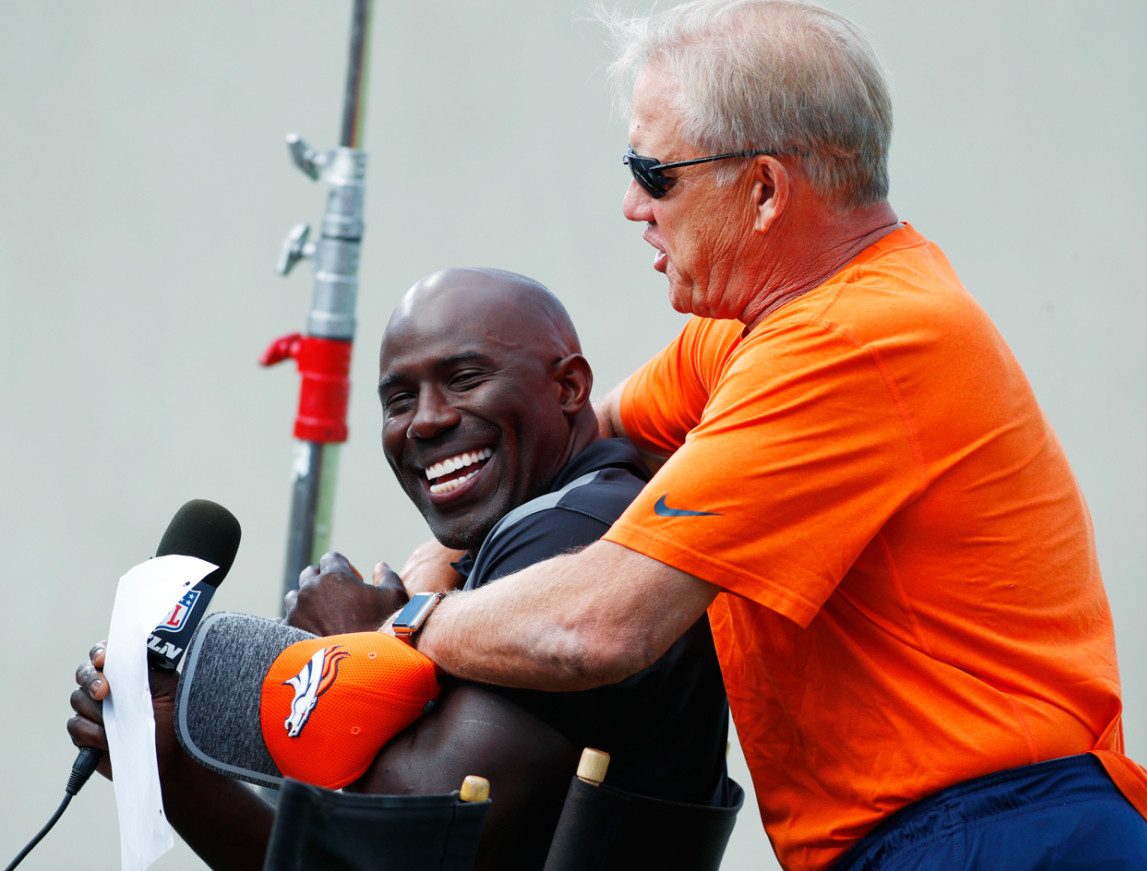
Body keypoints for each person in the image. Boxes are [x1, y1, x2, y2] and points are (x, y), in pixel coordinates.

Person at [376, 3, 1147, 870]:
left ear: (764, 189)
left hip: (1002, 832)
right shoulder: (759, 329)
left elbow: (600, 627)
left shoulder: (852, 339)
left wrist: (405, 624)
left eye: (655, 172)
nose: (631, 205)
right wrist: (445, 553)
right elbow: (570, 439)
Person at [69, 267, 730, 871]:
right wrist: (169, 764)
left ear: (568, 387)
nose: (427, 420)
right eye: (399, 398)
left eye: (465, 377)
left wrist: (370, 649)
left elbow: (404, 854)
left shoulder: (572, 532)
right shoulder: (535, 527)